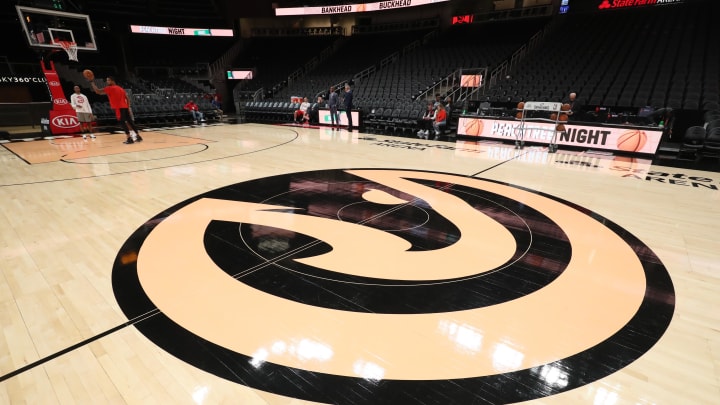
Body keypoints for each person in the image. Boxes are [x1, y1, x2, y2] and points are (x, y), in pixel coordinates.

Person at [89, 76, 142, 144]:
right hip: (125, 107)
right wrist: (128, 107)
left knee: (123, 123)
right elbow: (127, 98)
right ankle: (138, 136)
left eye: (108, 80)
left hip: (119, 108)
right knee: (130, 122)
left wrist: (92, 82)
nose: (107, 82)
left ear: (112, 81)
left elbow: (97, 91)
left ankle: (129, 138)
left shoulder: (110, 88)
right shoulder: (121, 88)